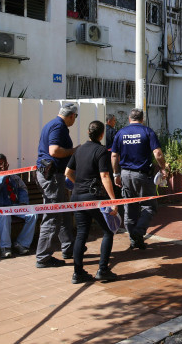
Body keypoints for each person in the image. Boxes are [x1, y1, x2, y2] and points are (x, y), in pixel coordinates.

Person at [65, 121, 120, 284]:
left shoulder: (79, 149)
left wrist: (78, 184)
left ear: (88, 132)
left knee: (81, 233)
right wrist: (113, 200)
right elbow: (104, 176)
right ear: (102, 134)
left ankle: (77, 273)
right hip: (93, 198)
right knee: (108, 231)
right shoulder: (101, 151)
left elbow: (68, 172)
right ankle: (103, 269)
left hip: (77, 196)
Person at [111, 108, 167, 250]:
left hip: (125, 174)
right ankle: (138, 232)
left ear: (129, 119)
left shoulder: (120, 133)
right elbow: (158, 153)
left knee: (130, 207)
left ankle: (134, 240)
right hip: (142, 175)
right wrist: (163, 168)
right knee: (149, 206)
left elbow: (114, 155)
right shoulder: (147, 132)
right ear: (142, 119)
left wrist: (116, 174)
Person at [34, 103, 79, 268]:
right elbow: (54, 151)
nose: (75, 120)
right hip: (52, 176)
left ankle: (68, 247)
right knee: (53, 215)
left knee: (62, 211)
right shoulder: (58, 127)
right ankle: (43, 257)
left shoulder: (52, 124)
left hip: (50, 174)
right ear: (72, 115)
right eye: (75, 117)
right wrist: (74, 150)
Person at [0, 153, 37, 258]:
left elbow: (22, 188)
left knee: (32, 215)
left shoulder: (13, 176)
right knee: (5, 215)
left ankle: (21, 244)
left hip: (13, 206)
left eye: (3, 163)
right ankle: (5, 247)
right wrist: (2, 176)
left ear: (7, 164)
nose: (1, 166)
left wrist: (23, 202)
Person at [104, 113, 124, 226]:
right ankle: (116, 203)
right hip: (112, 159)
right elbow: (118, 148)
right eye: (114, 120)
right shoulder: (113, 132)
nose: (115, 122)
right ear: (109, 121)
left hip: (103, 160)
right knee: (115, 181)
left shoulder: (102, 131)